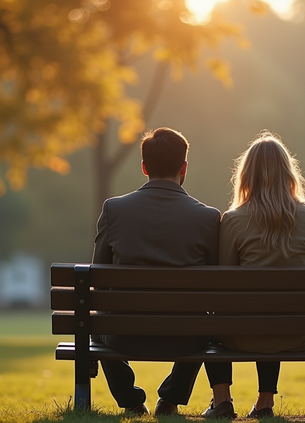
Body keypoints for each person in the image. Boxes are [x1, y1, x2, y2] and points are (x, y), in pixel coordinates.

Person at [202, 130, 305, 419]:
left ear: (246, 175)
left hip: (240, 337)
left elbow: (223, 289)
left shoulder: (232, 220)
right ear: (288, 172)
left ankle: (222, 401)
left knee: (212, 319)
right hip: (294, 334)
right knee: (276, 311)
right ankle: (265, 403)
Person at [92, 127, 221, 416]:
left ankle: (131, 401)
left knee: (96, 323)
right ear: (184, 167)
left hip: (123, 334)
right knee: (207, 325)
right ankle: (171, 400)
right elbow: (215, 288)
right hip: (186, 336)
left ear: (144, 166)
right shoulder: (208, 217)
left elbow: (97, 279)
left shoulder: (114, 209)